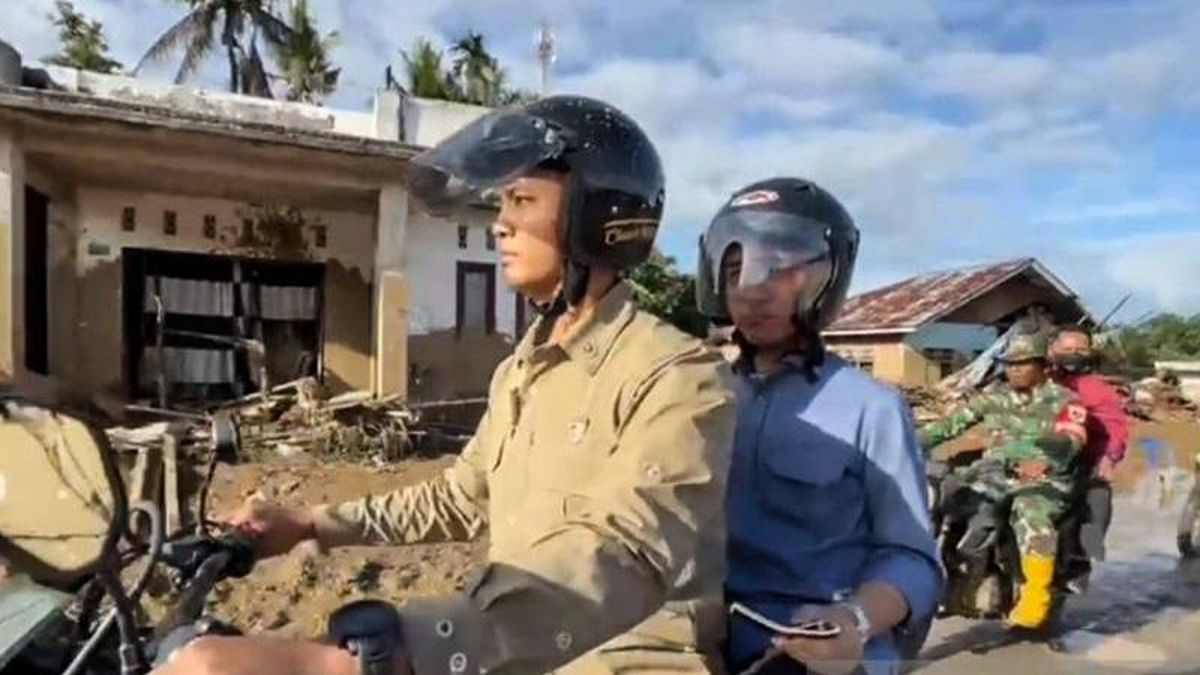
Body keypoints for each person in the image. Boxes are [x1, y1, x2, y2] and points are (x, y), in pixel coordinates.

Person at [154, 96, 737, 675]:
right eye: (502, 202)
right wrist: (311, 523)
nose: (501, 224)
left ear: (598, 219)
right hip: (520, 655)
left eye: (523, 200)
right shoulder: (522, 369)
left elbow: (625, 553)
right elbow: (459, 497)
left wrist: (393, 655)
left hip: (630, 659)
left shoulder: (677, 373)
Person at [697, 178, 942, 675]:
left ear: (826, 280)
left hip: (817, 654)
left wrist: (851, 620)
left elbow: (914, 561)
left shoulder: (871, 408)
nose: (753, 288)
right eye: (736, 267)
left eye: (780, 267)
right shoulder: (698, 395)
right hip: (701, 646)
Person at [919, 333, 1089, 630]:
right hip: (994, 473)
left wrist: (1045, 460)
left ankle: (1036, 597)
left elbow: (1072, 438)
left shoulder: (1066, 401)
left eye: (1022, 364)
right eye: (1009, 364)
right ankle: (956, 576)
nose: (1014, 369)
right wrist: (904, 440)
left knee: (1030, 511)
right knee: (949, 498)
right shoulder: (994, 397)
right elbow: (948, 426)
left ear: (1043, 366)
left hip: (1045, 479)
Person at [1048, 326, 1128, 564]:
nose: (1074, 354)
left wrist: (1109, 458)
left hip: (1079, 458)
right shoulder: (1037, 379)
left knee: (1096, 494)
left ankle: (1079, 558)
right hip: (1029, 453)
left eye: (1081, 350)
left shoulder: (1098, 391)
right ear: (1051, 351)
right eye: (1067, 349)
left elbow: (1116, 430)